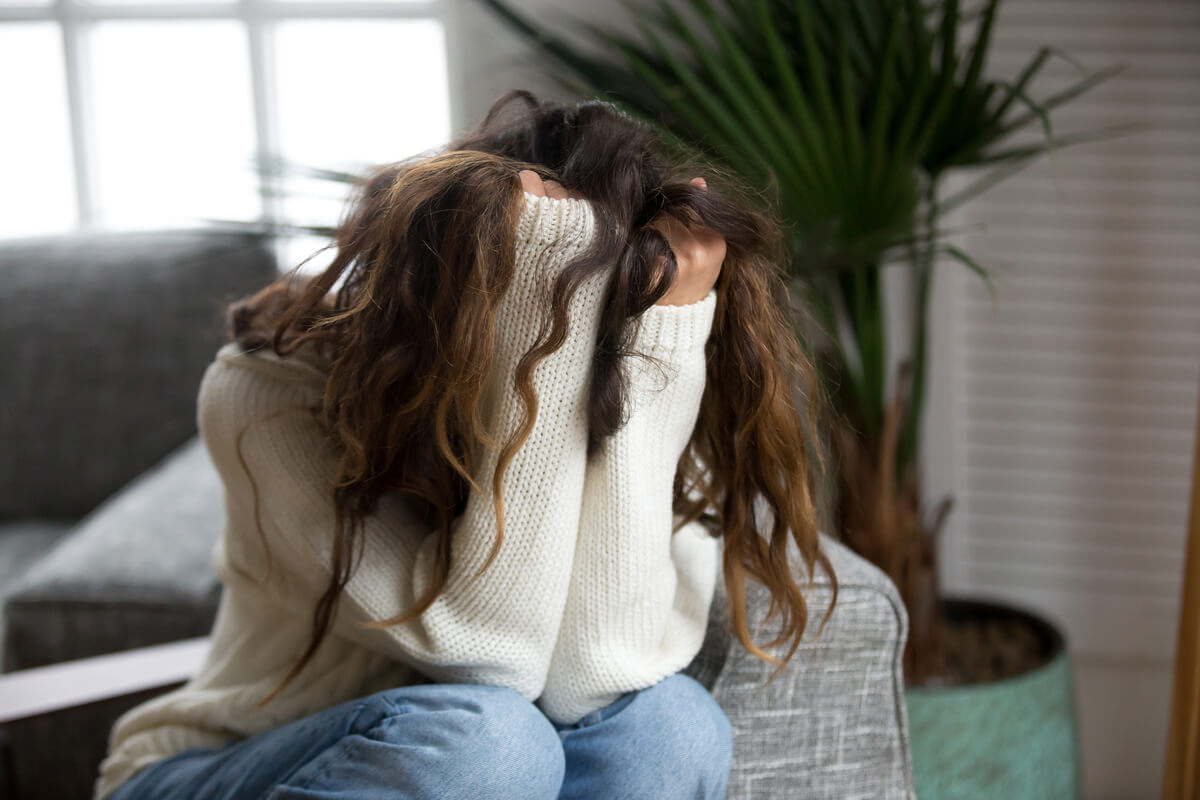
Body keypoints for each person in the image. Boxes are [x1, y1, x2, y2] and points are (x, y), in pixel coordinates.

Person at [93, 90, 836, 800]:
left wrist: (657, 347)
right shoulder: (268, 393)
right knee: (490, 743)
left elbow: (590, 683)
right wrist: (543, 321)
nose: (571, 318)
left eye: (592, 299)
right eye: (544, 282)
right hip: (214, 766)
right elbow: (490, 656)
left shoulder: (644, 384)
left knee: (671, 730)